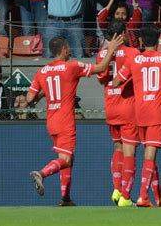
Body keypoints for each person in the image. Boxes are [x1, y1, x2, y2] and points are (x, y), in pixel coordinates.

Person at [27, 34, 124, 206]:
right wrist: (111, 50)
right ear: (64, 49)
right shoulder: (71, 67)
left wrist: (45, 91)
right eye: (68, 48)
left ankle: (65, 198)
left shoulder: (42, 71)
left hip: (51, 121)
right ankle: (41, 173)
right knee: (65, 159)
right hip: (65, 121)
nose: (70, 51)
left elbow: (29, 99)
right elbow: (101, 68)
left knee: (68, 158)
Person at [112, 25, 161, 207]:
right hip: (157, 113)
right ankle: (143, 196)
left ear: (141, 41)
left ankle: (156, 196)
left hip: (139, 112)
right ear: (158, 41)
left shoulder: (134, 60)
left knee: (149, 154)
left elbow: (116, 82)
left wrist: (135, 77)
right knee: (150, 154)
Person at [96, 19, 141, 207]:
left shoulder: (102, 54)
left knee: (118, 149)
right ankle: (125, 196)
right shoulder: (133, 53)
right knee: (130, 151)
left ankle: (116, 188)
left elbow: (100, 79)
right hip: (128, 106)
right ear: (123, 32)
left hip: (111, 107)